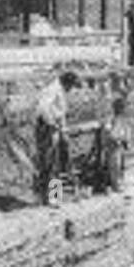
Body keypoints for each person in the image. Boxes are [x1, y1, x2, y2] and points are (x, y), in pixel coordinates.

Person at [34, 70, 79, 204]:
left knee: (56, 163)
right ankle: (52, 198)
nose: (71, 90)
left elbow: (60, 114)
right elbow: (43, 108)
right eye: (71, 86)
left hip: (53, 128)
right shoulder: (52, 90)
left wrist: (62, 130)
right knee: (50, 163)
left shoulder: (58, 90)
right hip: (47, 129)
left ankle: (51, 197)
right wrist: (52, 124)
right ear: (67, 83)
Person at [124, 2, 134, 67]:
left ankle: (133, 61)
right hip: (131, 33)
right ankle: (131, 62)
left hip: (133, 33)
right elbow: (129, 24)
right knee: (131, 47)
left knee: (133, 48)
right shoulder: (129, 14)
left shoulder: (132, 14)